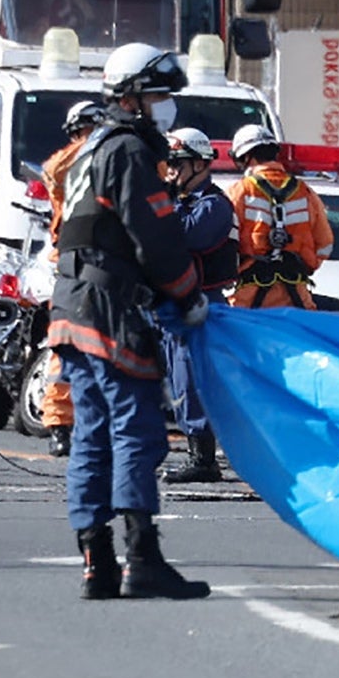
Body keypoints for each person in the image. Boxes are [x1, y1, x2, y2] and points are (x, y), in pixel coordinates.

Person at [47, 43, 212, 601]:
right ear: (133, 98)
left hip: (72, 306)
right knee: (136, 431)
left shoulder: (90, 149)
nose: (167, 108)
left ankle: (96, 560)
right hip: (109, 307)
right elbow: (157, 238)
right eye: (160, 95)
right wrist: (189, 296)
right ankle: (142, 558)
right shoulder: (128, 153)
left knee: (91, 435)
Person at [155, 129, 239, 486]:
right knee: (172, 376)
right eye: (168, 164)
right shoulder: (178, 200)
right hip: (168, 303)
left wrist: (161, 205)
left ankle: (203, 458)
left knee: (190, 378)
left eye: (177, 163)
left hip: (200, 302)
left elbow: (185, 235)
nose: (171, 171)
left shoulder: (215, 205)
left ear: (201, 164)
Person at [35, 98, 99, 457]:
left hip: (109, 267)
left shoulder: (114, 160)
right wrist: (88, 146)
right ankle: (60, 424)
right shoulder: (67, 163)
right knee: (66, 349)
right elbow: (53, 171)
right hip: (73, 267)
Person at [228, 124, 332, 308]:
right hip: (297, 297)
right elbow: (324, 243)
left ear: (247, 157)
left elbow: (225, 241)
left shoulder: (240, 191)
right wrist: (305, 263)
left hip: (249, 298)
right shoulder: (305, 192)